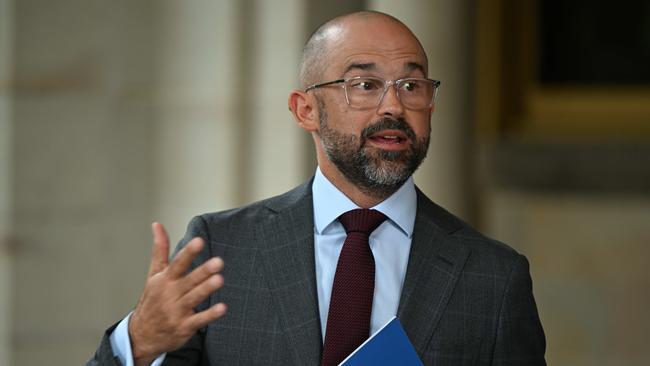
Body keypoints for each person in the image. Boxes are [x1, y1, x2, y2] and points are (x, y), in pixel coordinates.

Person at [87, 10, 546, 366]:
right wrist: (140, 341)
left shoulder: (494, 277)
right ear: (305, 110)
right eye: (364, 84)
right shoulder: (222, 249)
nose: (394, 105)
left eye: (412, 84)